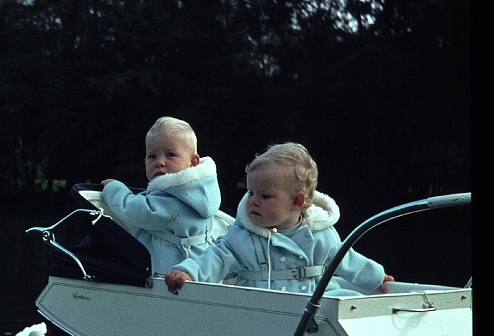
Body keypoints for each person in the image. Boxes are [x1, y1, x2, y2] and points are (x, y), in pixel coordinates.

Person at [165, 142, 394, 296]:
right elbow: (215, 257)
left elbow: (346, 259)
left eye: (265, 196)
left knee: (349, 303)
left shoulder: (321, 234)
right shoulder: (243, 237)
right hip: (260, 307)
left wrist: (375, 276)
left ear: (296, 202)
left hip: (313, 302)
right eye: (251, 192)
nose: (253, 201)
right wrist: (188, 271)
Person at [99, 116, 224, 275]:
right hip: (200, 272)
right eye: (152, 156)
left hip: (174, 278)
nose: (160, 162)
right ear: (145, 162)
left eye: (170, 154)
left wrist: (114, 189)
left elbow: (136, 210)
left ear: (193, 162)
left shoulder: (175, 200)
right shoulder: (198, 193)